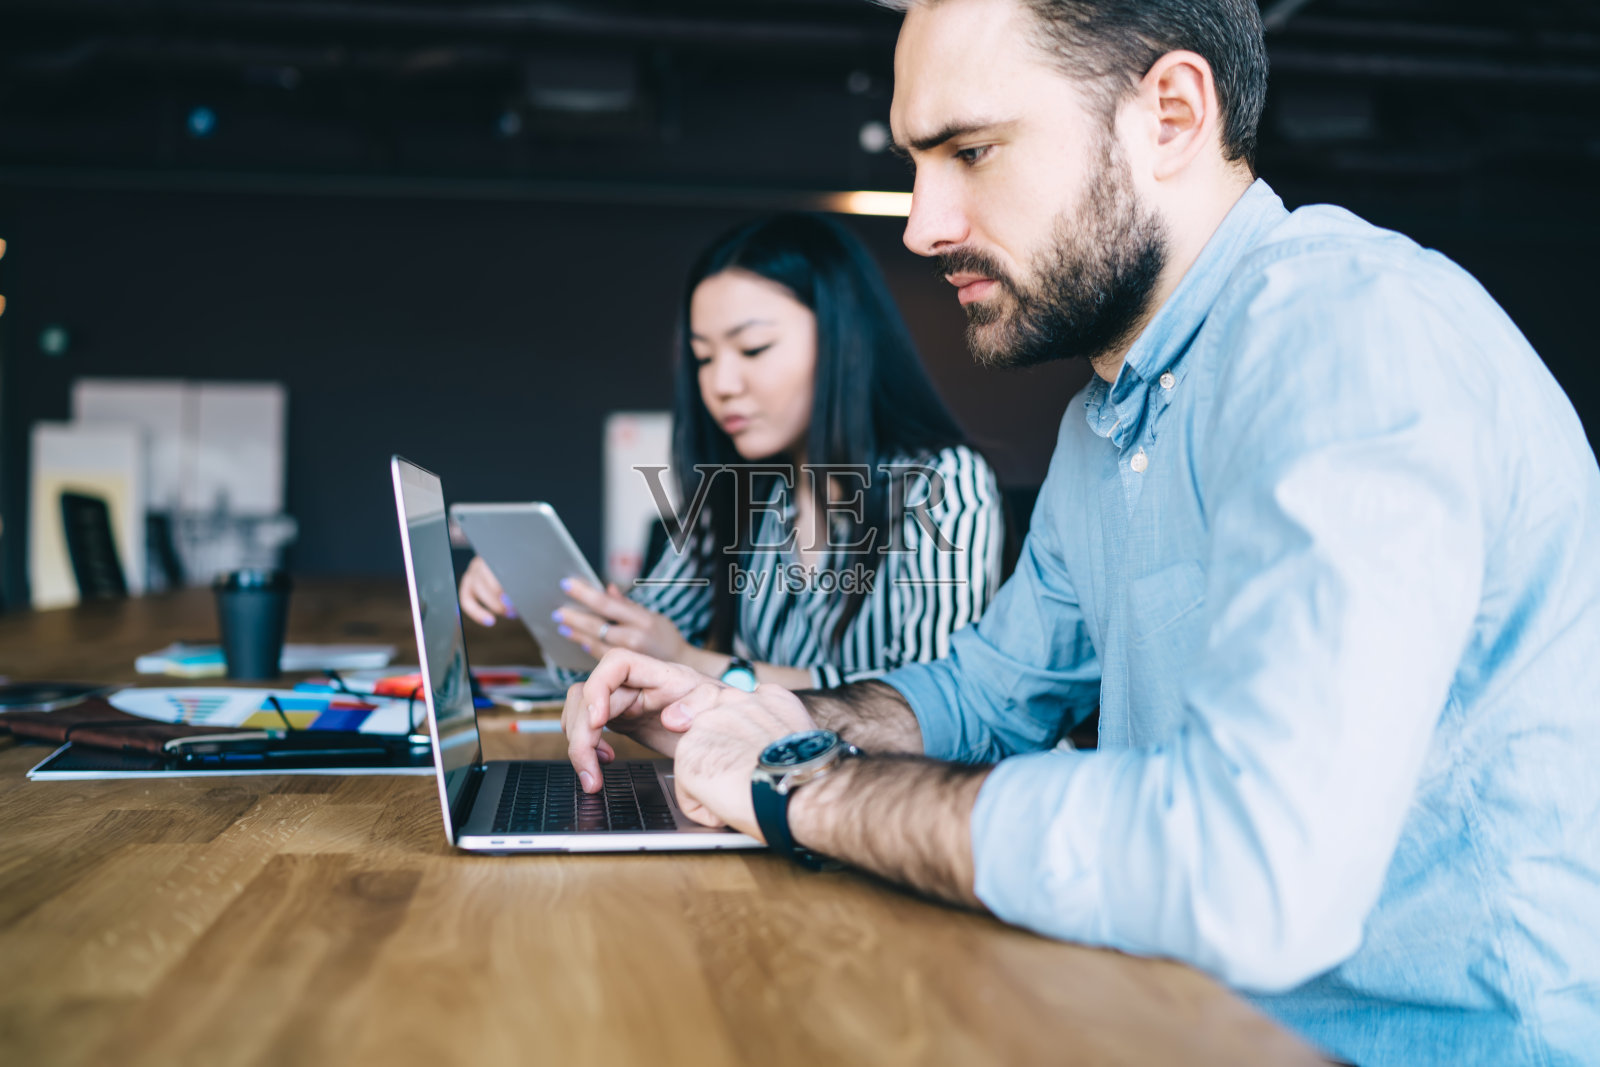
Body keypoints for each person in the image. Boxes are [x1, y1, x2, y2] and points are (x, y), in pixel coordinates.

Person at [561, 0, 1600, 1064]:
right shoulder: (1104, 425)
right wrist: (761, 708)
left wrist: (794, 782)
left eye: (970, 150)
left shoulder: (1350, 334)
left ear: (1170, 115)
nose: (920, 224)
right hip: (1173, 1016)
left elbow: (1253, 872)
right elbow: (983, 696)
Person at [461, 213, 1004, 693]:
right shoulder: (742, 491)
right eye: (702, 357)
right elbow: (622, 653)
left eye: (753, 349)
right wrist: (541, 592)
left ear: (844, 340)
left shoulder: (944, 483)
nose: (720, 383)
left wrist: (691, 662)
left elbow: (932, 705)